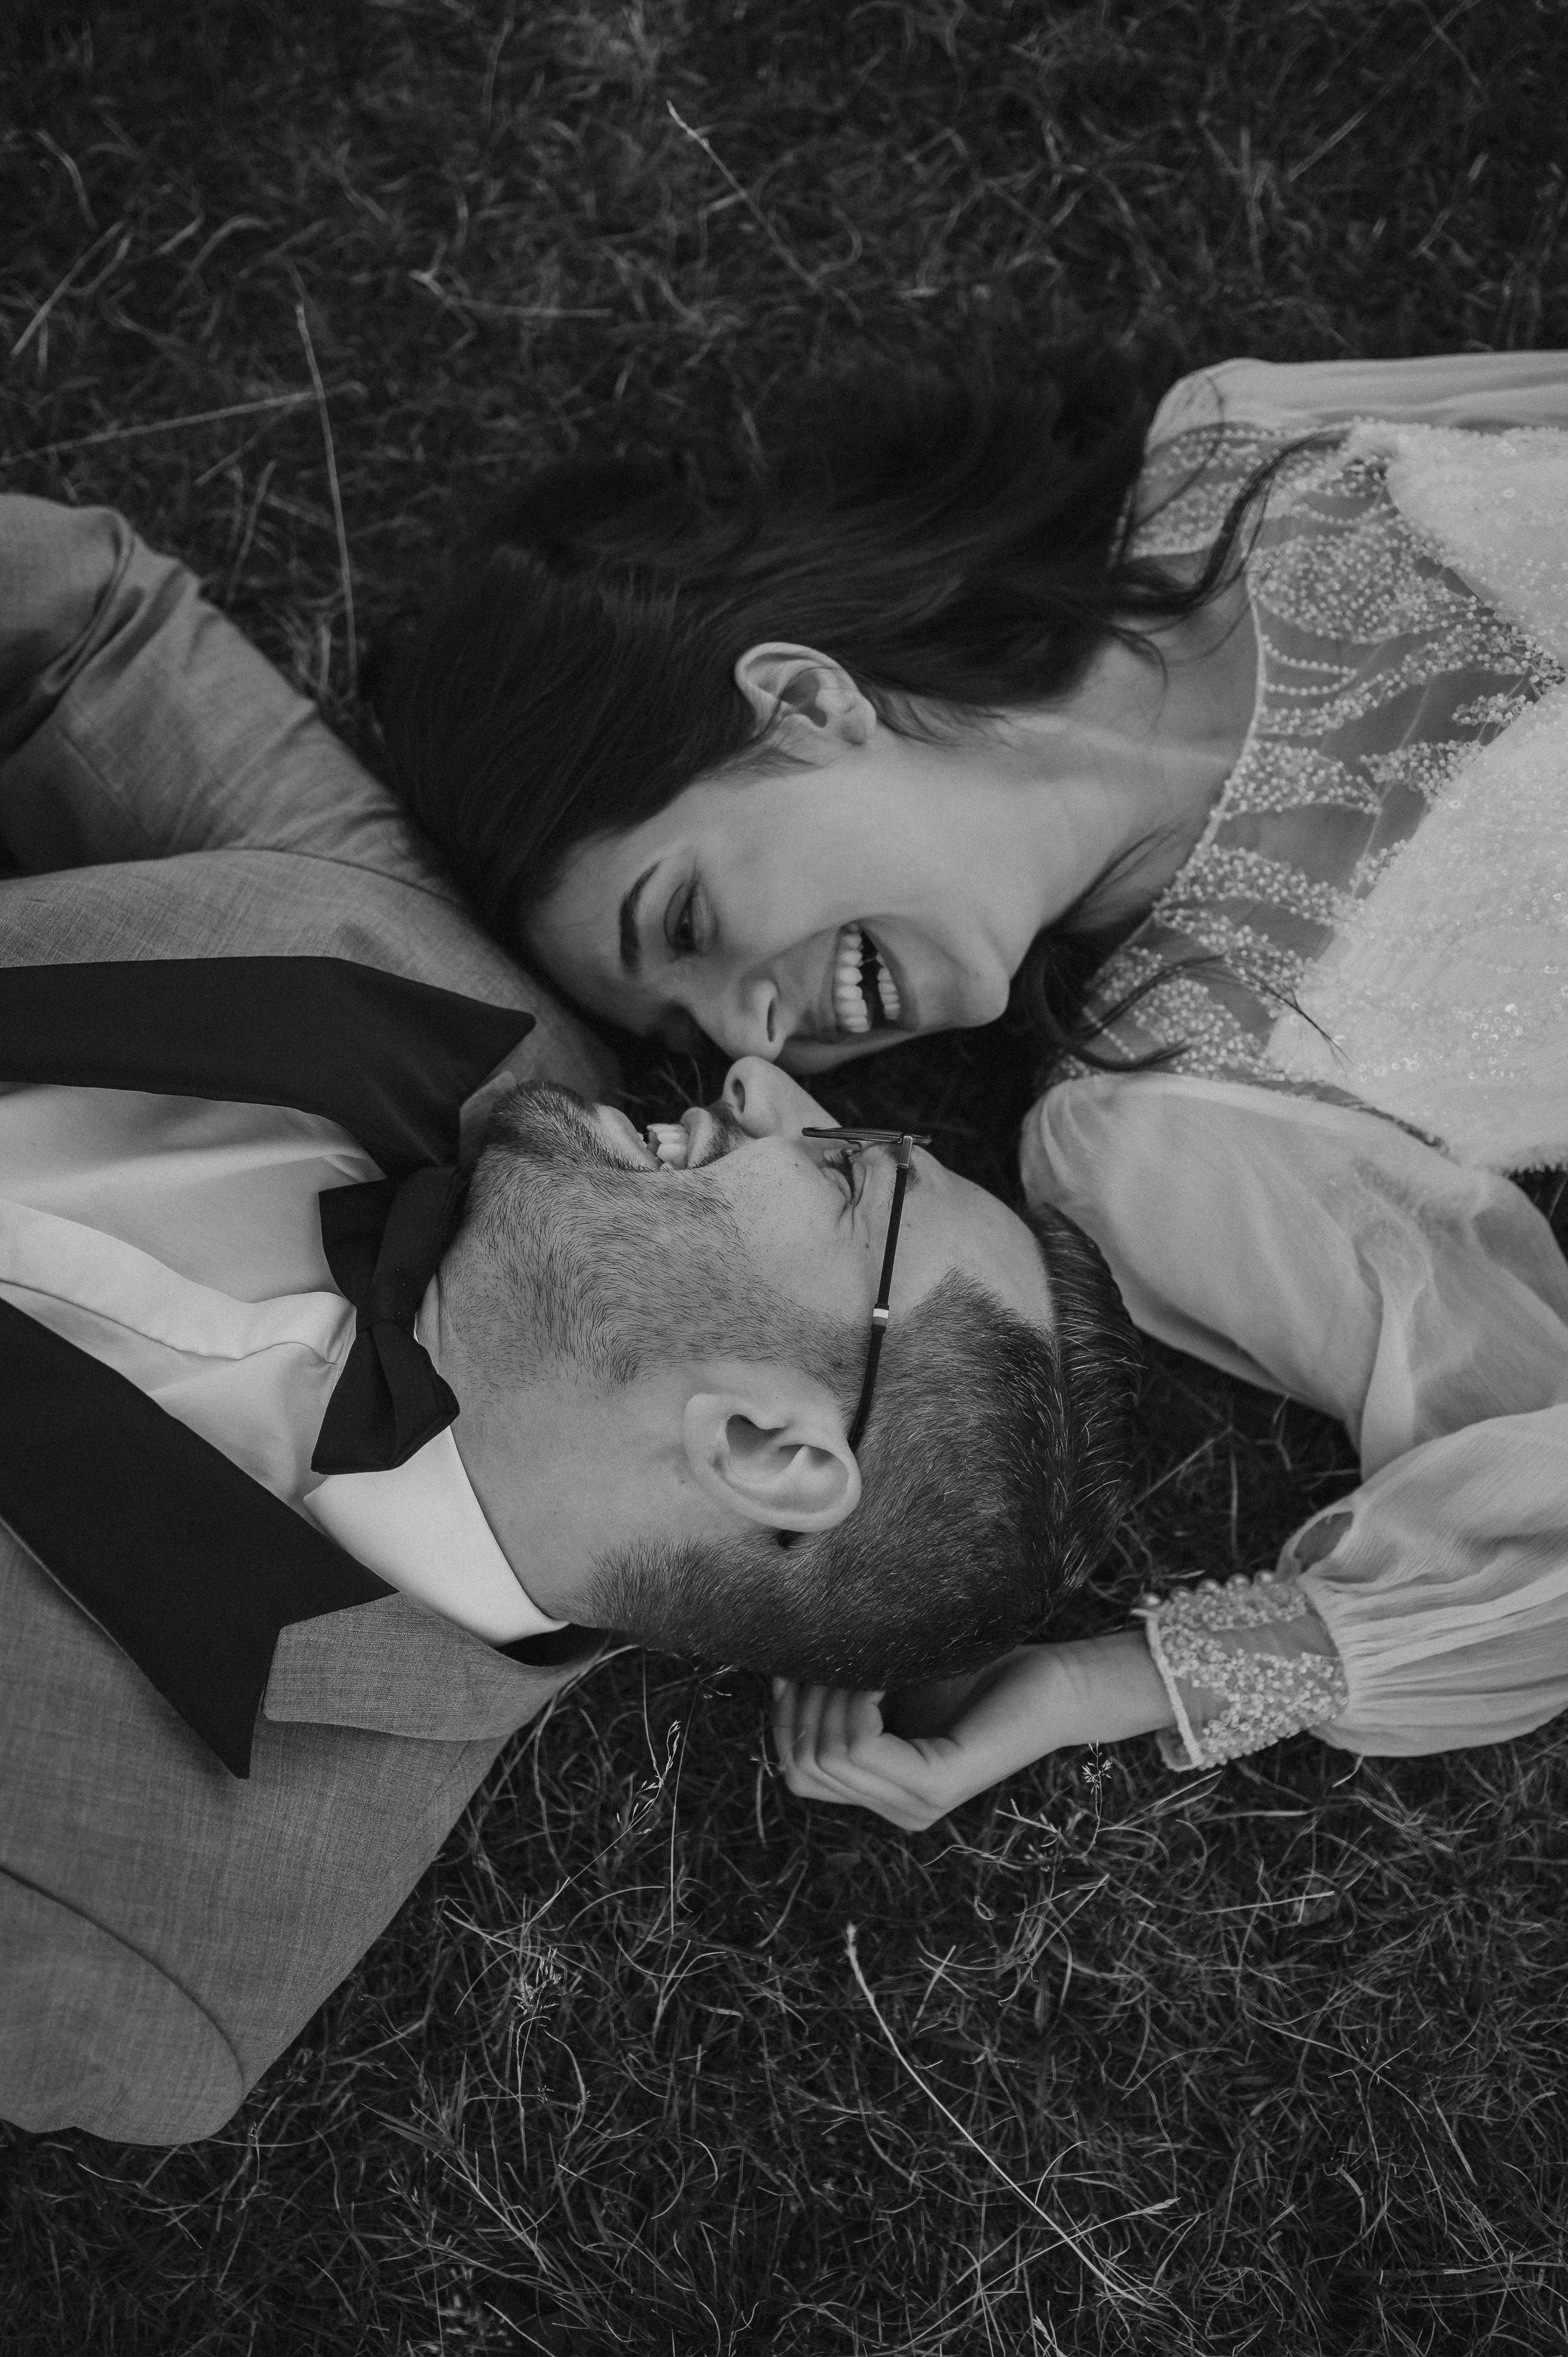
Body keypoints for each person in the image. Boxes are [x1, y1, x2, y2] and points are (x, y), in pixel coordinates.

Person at [0, 494, 1140, 2141]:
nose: (763, 1081)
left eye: (838, 1172)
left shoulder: (145, 1960)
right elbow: (87, 636)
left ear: (767, 1444)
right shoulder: (441, 1001)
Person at [372, 347, 1568, 1820]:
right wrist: (1099, 1685)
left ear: (801, 701)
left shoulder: (1238, 436)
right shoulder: (1166, 1115)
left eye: (683, 923)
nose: (750, 1045)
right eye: (688, 1029)